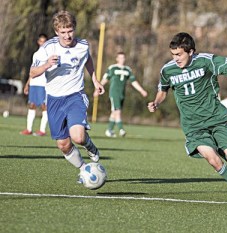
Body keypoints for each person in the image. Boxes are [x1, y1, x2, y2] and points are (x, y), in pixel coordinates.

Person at [148, 32, 227, 208]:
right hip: (193, 126)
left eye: (179, 54)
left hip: (215, 119)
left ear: (191, 52)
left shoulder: (206, 61)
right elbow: (163, 90)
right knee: (213, 159)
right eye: (173, 54)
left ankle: (216, 148)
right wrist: (156, 102)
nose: (175, 58)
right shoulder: (167, 70)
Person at [29, 11, 105, 182]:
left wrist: (95, 80)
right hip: (54, 100)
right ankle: (84, 169)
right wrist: (47, 64)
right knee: (63, 145)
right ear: (57, 32)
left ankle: (89, 145)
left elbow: (88, 60)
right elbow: (32, 72)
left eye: (70, 30)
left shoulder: (83, 46)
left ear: (74, 29)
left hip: (75, 96)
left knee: (77, 136)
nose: (67, 35)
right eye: (63, 32)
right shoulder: (47, 48)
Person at [101, 52, 148, 137]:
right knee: (117, 111)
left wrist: (141, 90)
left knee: (114, 112)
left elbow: (133, 81)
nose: (122, 59)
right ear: (117, 58)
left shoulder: (127, 69)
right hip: (114, 93)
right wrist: (98, 88)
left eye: (123, 58)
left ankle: (109, 130)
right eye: (120, 57)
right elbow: (105, 79)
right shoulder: (112, 68)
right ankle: (121, 129)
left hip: (122, 94)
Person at [20, 34, 48, 136]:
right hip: (34, 83)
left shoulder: (49, 54)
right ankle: (29, 129)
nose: (42, 43)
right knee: (31, 105)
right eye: (41, 41)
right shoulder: (36, 54)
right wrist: (27, 84)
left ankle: (42, 130)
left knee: (44, 106)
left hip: (43, 83)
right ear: (38, 42)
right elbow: (32, 70)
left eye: (44, 41)